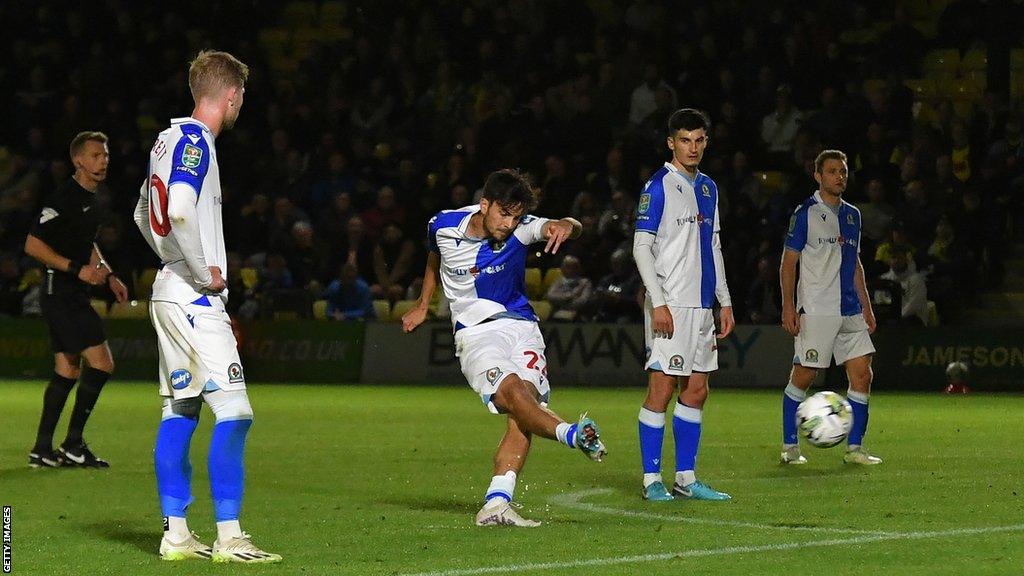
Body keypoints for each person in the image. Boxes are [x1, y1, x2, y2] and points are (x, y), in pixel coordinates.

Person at [133, 50, 280, 563]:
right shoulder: (196, 140)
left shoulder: (163, 141)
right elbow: (176, 208)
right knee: (235, 412)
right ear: (231, 94)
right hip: (194, 298)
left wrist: (172, 260)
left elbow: (141, 216)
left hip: (167, 292)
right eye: (243, 96)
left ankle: (176, 535)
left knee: (181, 409)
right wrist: (200, 270)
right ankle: (230, 535)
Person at [402, 168, 607, 527]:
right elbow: (434, 256)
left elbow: (566, 226)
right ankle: (571, 435)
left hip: (524, 330)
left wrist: (564, 224)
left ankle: (497, 503)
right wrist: (424, 303)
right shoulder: (443, 225)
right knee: (514, 396)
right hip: (477, 333)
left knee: (523, 410)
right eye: (503, 214)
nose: (510, 224)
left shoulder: (522, 226)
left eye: (516, 216)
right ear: (484, 205)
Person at [633, 108, 735, 502]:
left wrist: (723, 301)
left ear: (706, 142)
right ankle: (650, 479)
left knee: (696, 390)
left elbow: (714, 246)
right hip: (670, 304)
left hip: (701, 306)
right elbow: (641, 247)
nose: (692, 148)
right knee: (661, 388)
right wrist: (658, 302)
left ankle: (686, 478)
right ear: (670, 143)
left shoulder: (708, 188)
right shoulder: (657, 186)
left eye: (698, 140)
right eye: (684, 140)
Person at [25, 131, 129, 469]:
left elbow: (89, 245)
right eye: (96, 155)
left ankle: (42, 448)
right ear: (78, 160)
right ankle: (72, 443)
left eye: (106, 155)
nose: (103, 161)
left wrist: (109, 274)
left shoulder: (92, 199)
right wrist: (77, 269)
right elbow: (33, 245)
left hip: (70, 293)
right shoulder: (64, 197)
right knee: (102, 363)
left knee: (67, 370)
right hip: (62, 295)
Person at [780, 149, 881, 466]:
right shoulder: (805, 213)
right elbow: (788, 263)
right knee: (805, 375)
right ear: (818, 176)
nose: (840, 176)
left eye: (843, 171)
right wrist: (787, 306)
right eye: (833, 171)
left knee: (862, 376)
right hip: (818, 309)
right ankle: (790, 446)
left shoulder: (853, 215)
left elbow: (856, 265)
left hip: (850, 309)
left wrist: (867, 306)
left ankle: (854, 449)